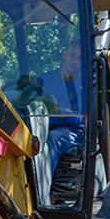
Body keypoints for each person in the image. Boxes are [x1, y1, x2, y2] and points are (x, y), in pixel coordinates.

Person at [33, 41, 85, 173]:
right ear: (65, 54)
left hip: (72, 133)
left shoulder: (86, 84)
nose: (75, 61)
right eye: (72, 55)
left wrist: (58, 110)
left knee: (53, 137)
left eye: (79, 58)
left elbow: (81, 118)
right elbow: (24, 98)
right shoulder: (44, 79)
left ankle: (41, 190)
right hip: (39, 126)